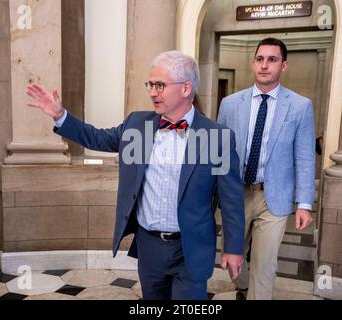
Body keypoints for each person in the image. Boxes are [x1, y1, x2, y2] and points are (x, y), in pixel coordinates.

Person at [26, 51, 244, 300]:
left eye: (160, 85)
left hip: (191, 248)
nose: (152, 92)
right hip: (149, 246)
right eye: (150, 84)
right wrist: (59, 115)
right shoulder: (137, 124)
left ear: (186, 89)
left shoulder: (218, 137)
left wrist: (233, 248)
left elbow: (231, 199)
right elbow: (96, 137)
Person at [217, 38, 316, 300]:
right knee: (232, 260)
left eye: (272, 60)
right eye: (260, 59)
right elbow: (219, 154)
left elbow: (305, 158)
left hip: (274, 197)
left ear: (283, 66)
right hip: (236, 194)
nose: (264, 65)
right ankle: (244, 287)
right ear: (253, 63)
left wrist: (304, 203)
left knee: (265, 264)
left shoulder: (299, 106)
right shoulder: (230, 104)